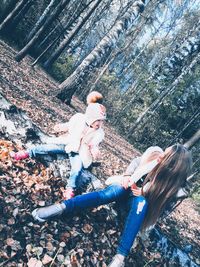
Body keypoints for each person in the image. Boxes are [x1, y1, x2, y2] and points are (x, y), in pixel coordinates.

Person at [31, 144, 192, 266]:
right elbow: (137, 162)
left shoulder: (175, 192)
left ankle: (120, 257)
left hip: (137, 208)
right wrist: (128, 175)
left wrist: (144, 194)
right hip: (124, 190)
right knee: (108, 193)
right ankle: (62, 207)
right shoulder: (154, 155)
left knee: (141, 202)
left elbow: (158, 213)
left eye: (166, 157)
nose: (161, 157)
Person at [11, 91, 106, 200]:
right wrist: (61, 127)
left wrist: (94, 150)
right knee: (48, 148)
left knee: (77, 169)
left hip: (80, 153)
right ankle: (27, 152)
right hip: (68, 144)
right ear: (90, 117)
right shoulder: (79, 119)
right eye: (97, 119)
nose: (99, 123)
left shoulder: (98, 133)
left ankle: (70, 188)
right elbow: (69, 125)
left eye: (101, 121)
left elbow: (94, 144)